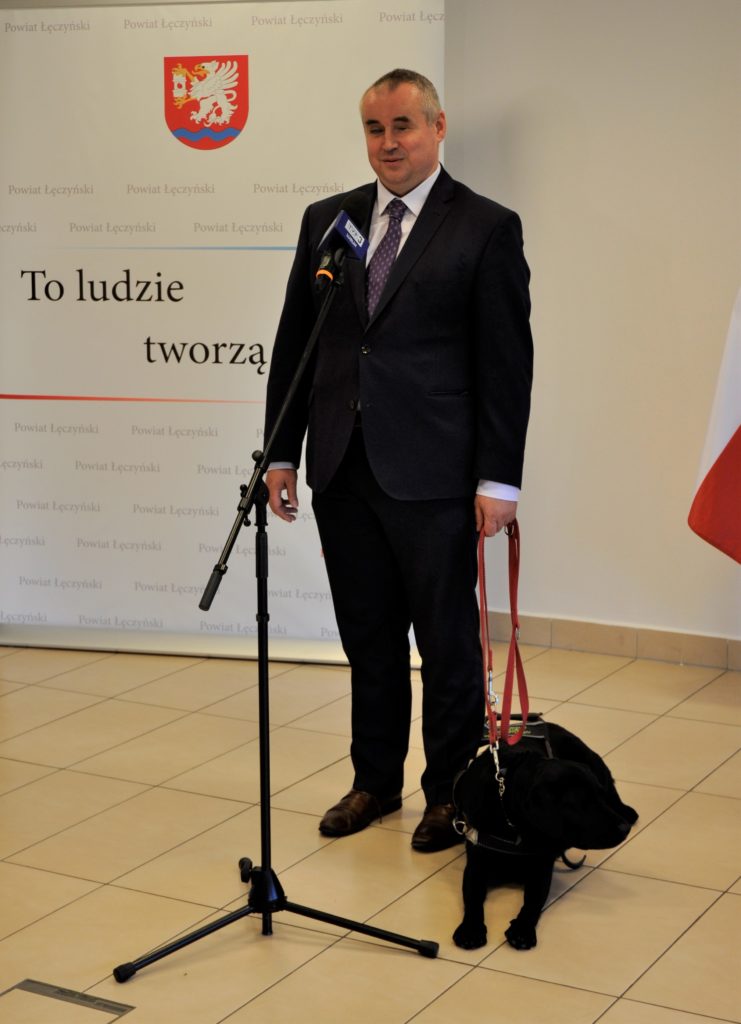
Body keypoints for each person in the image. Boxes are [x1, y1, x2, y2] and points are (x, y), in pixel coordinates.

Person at [264, 69, 533, 852]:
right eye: (375, 129)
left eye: (403, 126)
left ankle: (449, 792)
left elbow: (505, 365)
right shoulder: (329, 219)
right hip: (343, 468)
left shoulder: (485, 226)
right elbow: (296, 343)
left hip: (435, 476)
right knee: (368, 638)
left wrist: (498, 479)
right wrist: (281, 451)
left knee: (445, 644)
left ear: (437, 127)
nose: (388, 143)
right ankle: (374, 781)